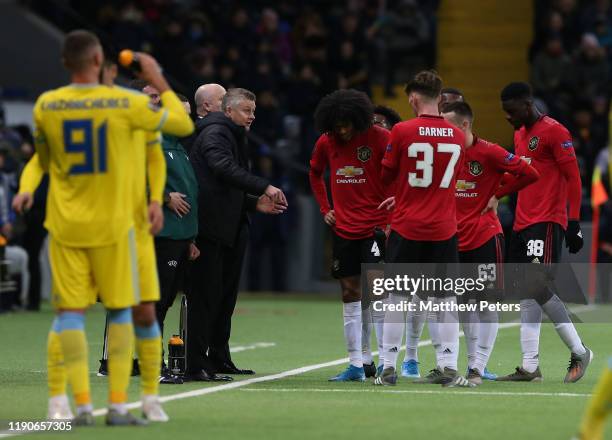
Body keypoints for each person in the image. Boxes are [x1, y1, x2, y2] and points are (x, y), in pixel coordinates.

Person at [15, 30, 193, 425]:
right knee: (132, 311)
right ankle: (122, 403)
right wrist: (157, 76)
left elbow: (40, 160)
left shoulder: (48, 104)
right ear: (99, 63)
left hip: (68, 226)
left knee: (72, 314)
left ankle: (73, 404)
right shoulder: (128, 105)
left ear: (66, 63)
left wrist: (26, 190)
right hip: (120, 228)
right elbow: (182, 123)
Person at [187, 88, 287, 381]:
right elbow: (221, 169)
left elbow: (223, 187)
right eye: (246, 111)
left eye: (253, 111)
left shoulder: (229, 134)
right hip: (210, 229)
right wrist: (263, 186)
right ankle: (196, 363)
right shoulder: (215, 132)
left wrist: (253, 203)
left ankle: (217, 358)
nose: (252, 117)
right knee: (206, 298)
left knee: (223, 298)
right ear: (226, 111)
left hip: (227, 226)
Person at [496, 81, 592, 383]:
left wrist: (573, 223)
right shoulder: (519, 134)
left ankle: (580, 350)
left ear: (527, 104)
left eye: (512, 112)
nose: (508, 118)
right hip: (523, 222)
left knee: (536, 287)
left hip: (547, 221)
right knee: (526, 292)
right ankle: (530, 366)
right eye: (505, 113)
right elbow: (520, 176)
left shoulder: (555, 131)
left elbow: (573, 178)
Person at [375, 70, 466, 387]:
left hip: (407, 226)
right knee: (445, 300)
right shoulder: (457, 134)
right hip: (443, 227)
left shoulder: (401, 131)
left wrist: (401, 194)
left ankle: (388, 368)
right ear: (440, 98)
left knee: (397, 298)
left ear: (413, 97)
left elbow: (386, 177)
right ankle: (449, 366)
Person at [441, 101, 539, 385]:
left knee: (485, 304)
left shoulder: (490, 151)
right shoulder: (446, 154)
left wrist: (499, 194)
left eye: (448, 126)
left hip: (485, 237)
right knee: (462, 306)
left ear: (464, 125)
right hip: (454, 238)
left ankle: (478, 368)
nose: (443, 132)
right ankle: (467, 365)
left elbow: (529, 173)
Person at [309, 89, 390, 381]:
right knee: (349, 293)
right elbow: (315, 173)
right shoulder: (325, 141)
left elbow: (401, 172)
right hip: (344, 229)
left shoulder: (380, 137)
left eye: (347, 124)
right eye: (337, 125)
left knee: (378, 294)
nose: (342, 130)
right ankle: (357, 363)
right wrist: (324, 208)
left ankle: (386, 361)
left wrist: (394, 211)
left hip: (376, 227)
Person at [154, 93, 201, 381]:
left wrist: (192, 238)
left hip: (181, 237)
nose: (188, 120)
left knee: (167, 301)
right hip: (161, 235)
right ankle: (152, 363)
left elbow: (191, 193)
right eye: (181, 114)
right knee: (156, 302)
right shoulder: (152, 145)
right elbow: (133, 183)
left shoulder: (179, 149)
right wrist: (162, 197)